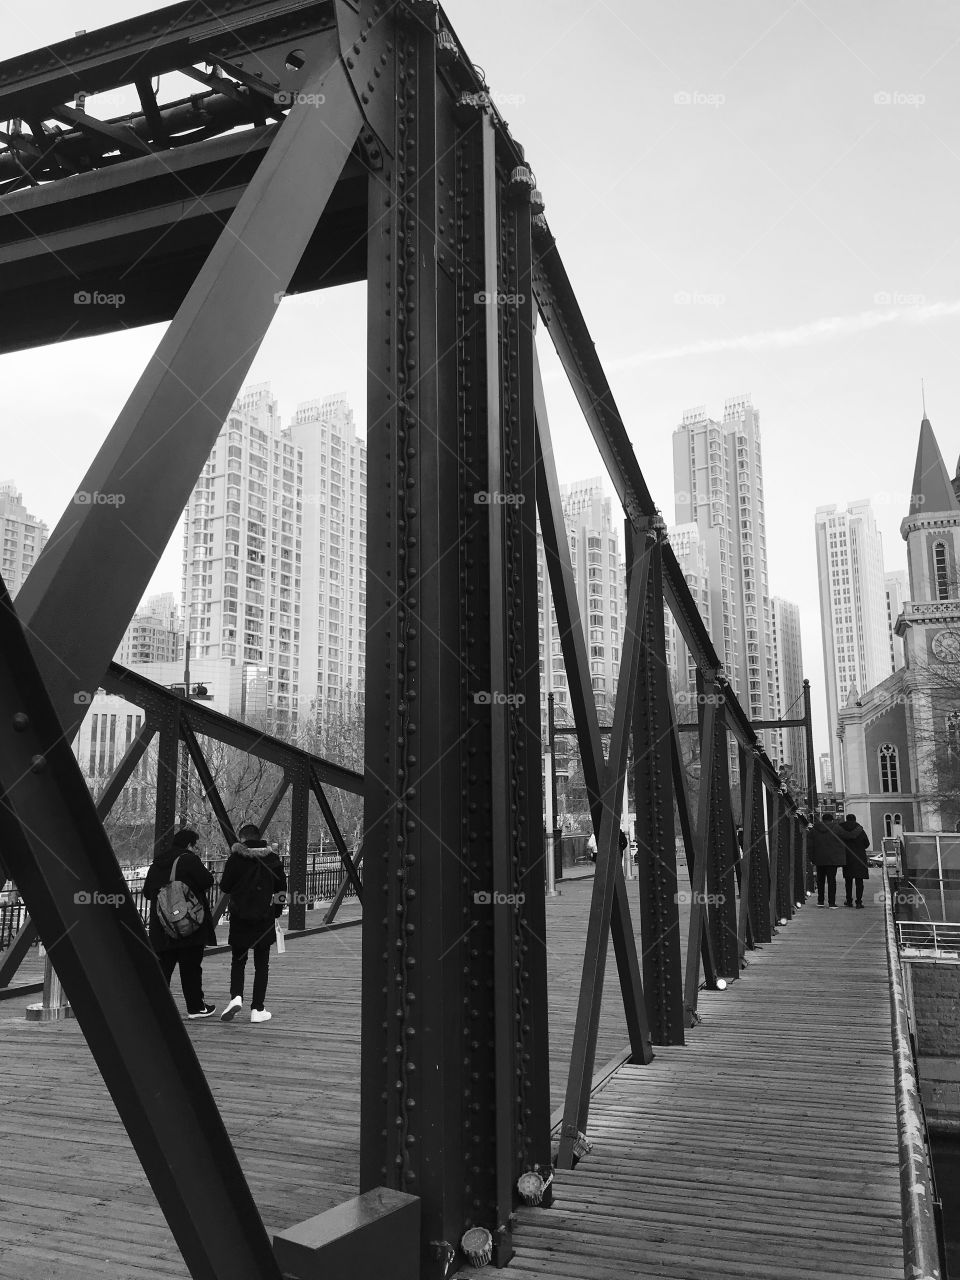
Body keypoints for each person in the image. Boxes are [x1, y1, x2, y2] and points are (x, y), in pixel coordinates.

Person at [143, 827, 217, 1018]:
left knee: (163, 970)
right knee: (190, 968)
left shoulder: (156, 863)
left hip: (163, 927)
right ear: (189, 845)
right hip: (188, 925)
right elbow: (207, 881)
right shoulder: (189, 860)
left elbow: (146, 893)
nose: (196, 849)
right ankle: (195, 1007)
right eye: (195, 846)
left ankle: (156, 1008)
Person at [219, 822, 287, 1024]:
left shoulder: (235, 859)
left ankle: (236, 997)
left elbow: (225, 886)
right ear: (259, 838)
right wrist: (276, 911)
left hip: (240, 917)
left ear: (242, 839)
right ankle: (258, 1009)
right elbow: (281, 890)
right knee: (262, 965)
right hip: (264, 917)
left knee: (238, 961)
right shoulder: (273, 859)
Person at [809, 812, 847, 909]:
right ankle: (831, 903)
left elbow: (810, 844)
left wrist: (812, 857)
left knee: (820, 880)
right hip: (832, 859)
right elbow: (845, 837)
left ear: (823, 819)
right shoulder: (837, 828)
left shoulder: (814, 829)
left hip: (819, 858)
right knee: (831, 881)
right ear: (832, 819)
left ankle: (820, 901)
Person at [838, 812, 870, 908]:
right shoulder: (860, 830)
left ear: (846, 820)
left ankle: (849, 901)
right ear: (855, 820)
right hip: (859, 858)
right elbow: (867, 844)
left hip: (847, 857)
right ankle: (859, 902)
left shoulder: (841, 830)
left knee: (848, 881)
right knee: (859, 881)